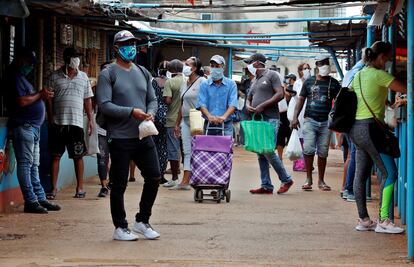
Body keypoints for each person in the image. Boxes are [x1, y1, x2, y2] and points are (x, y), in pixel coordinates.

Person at [96, 30, 161, 241]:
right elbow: (105, 105)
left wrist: (150, 111)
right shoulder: (108, 73)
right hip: (120, 136)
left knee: (154, 176)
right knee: (119, 183)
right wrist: (131, 111)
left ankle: (142, 220)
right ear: (116, 48)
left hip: (143, 135)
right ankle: (120, 227)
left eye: (132, 43)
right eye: (125, 44)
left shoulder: (143, 71)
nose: (130, 47)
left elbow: (152, 98)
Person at [349, 41, 406, 233]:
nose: (389, 62)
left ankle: (364, 219)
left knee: (360, 174)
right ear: (381, 57)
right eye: (388, 58)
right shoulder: (380, 75)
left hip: (356, 130)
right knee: (390, 173)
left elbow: (373, 98)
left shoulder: (358, 75)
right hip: (371, 131)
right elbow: (406, 88)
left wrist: (391, 103)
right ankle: (384, 220)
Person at [6, 48, 61, 213]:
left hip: (34, 127)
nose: (30, 66)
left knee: (34, 165)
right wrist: (40, 95)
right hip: (24, 126)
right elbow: (22, 101)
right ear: (21, 60)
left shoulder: (23, 78)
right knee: (26, 164)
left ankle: (39, 197)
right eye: (29, 63)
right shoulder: (13, 77)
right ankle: (30, 200)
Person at [45, 47, 94, 199]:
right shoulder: (54, 77)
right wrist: (51, 117)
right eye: (74, 57)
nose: (76, 60)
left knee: (78, 156)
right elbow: (49, 100)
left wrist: (91, 120)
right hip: (58, 123)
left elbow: (88, 100)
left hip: (77, 123)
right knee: (56, 156)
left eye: (77, 57)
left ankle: (80, 189)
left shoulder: (84, 77)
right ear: (67, 59)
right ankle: (53, 189)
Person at [244, 53, 294, 195]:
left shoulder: (272, 75)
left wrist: (263, 106)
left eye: (250, 63)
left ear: (257, 64)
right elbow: (249, 98)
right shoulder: (255, 81)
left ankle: (286, 179)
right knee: (261, 152)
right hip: (258, 120)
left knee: (267, 150)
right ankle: (266, 185)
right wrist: (248, 105)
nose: (248, 66)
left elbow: (280, 94)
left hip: (271, 118)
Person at [290, 55, 341, 192]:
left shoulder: (334, 83)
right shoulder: (309, 82)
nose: (325, 66)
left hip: (326, 122)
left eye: (326, 63)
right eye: (322, 64)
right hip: (310, 120)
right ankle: (309, 179)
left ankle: (321, 181)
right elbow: (300, 100)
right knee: (308, 149)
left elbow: (340, 101)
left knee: (323, 152)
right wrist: (295, 118)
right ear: (317, 66)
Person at [171, 57, 206, 190]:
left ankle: (196, 178)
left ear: (194, 68)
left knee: (198, 150)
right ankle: (185, 181)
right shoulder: (184, 83)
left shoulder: (203, 82)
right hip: (185, 120)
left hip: (198, 120)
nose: (184, 66)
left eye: (187, 64)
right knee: (187, 151)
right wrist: (177, 124)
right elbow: (182, 104)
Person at [197, 55, 238, 136]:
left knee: (225, 148)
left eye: (217, 66)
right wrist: (209, 116)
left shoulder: (231, 84)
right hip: (209, 123)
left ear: (223, 67)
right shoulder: (204, 84)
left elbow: (233, 104)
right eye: (212, 66)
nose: (214, 68)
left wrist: (224, 117)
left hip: (226, 124)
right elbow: (201, 103)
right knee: (208, 148)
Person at [162, 60, 184, 188]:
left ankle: (175, 177)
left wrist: (165, 99)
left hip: (172, 119)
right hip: (186, 120)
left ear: (170, 71)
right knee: (186, 149)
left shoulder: (169, 82)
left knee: (173, 149)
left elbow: (168, 100)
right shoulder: (187, 81)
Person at [289, 63, 311, 172]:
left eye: (308, 68)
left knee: (309, 140)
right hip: (300, 113)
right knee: (300, 138)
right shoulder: (297, 83)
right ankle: (300, 164)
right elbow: (296, 101)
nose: (307, 70)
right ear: (300, 71)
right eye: (304, 68)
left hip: (310, 113)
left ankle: (308, 163)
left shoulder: (312, 81)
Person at [95, 61, 112, 197]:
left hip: (117, 129)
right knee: (102, 157)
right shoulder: (98, 88)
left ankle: (112, 182)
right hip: (102, 127)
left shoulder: (120, 88)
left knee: (117, 158)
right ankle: (104, 186)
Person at [152, 61, 169, 185]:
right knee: (163, 147)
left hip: (153, 115)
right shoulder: (169, 82)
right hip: (166, 117)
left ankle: (153, 173)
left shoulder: (152, 82)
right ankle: (161, 174)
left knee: (152, 146)